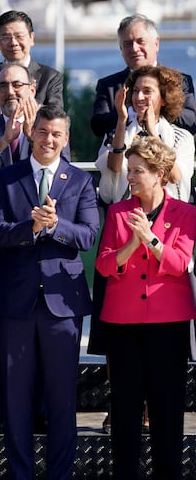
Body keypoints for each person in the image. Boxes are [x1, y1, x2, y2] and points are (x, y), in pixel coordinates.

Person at [0, 106, 99, 480]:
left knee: (62, 396)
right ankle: (21, 473)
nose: (49, 140)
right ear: (32, 132)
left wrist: (54, 226)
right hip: (16, 303)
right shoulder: (5, 178)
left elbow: (87, 236)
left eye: (57, 135)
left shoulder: (80, 181)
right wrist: (29, 228)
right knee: (16, 398)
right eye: (43, 132)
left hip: (62, 304)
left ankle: (60, 474)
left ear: (66, 139)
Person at [0, 62, 70, 436]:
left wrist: (37, 135)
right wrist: (4, 141)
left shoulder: (49, 127)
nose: (11, 92)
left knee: (36, 331)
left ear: (33, 87)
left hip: (35, 248)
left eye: (18, 84)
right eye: (3, 85)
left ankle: (37, 410)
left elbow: (65, 172)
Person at [95, 136, 196, 479]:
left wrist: (151, 240)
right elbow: (106, 265)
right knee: (125, 411)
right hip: (123, 325)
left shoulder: (186, 214)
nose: (131, 177)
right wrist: (132, 243)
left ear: (160, 174)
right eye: (129, 170)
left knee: (167, 410)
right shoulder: (117, 212)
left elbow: (180, 263)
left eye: (138, 171)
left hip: (168, 325)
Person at [96, 65, 194, 204]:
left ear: (164, 98)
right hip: (126, 212)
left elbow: (175, 177)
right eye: (136, 91)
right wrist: (121, 121)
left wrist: (153, 133)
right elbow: (114, 169)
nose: (139, 97)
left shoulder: (181, 137)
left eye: (147, 91)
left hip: (167, 215)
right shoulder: (117, 131)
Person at [90, 14, 196, 139]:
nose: (134, 49)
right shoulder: (109, 85)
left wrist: (154, 110)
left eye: (140, 42)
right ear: (121, 49)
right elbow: (98, 125)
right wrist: (129, 114)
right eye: (128, 44)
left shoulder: (180, 81)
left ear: (156, 44)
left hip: (169, 153)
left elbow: (191, 121)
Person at [0, 10, 63, 128]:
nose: (13, 43)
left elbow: (56, 116)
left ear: (31, 38)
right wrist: (3, 106)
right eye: (5, 37)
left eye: (19, 36)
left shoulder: (50, 76)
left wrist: (25, 106)